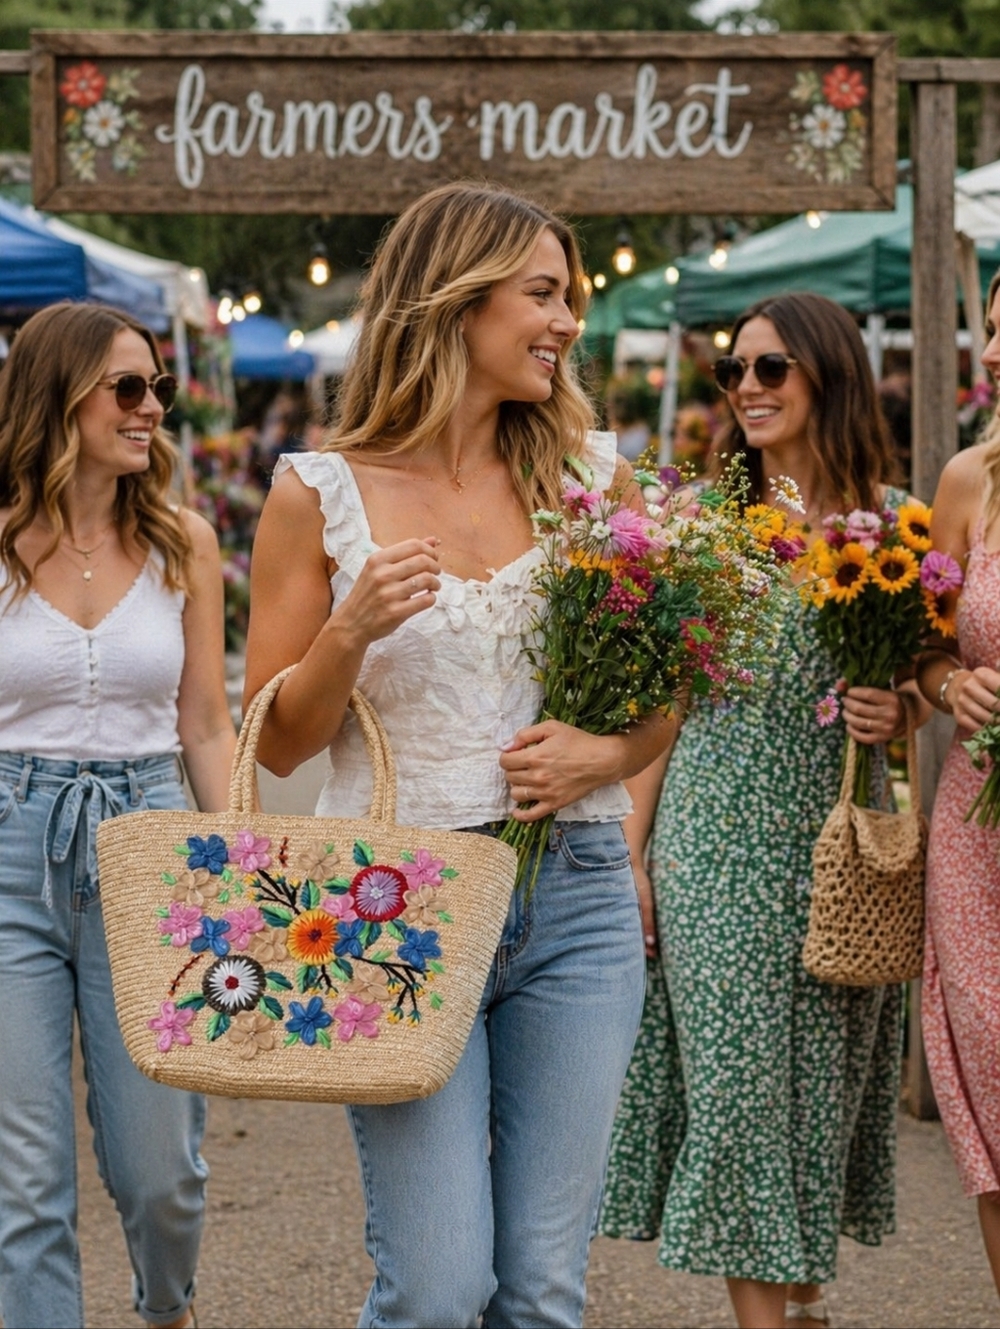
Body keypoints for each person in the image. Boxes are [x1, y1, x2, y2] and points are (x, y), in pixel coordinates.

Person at [243, 181, 670, 1329]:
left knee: (539, 1291)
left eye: (570, 298)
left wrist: (603, 755)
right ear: (457, 301)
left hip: (577, 897)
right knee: (435, 1291)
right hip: (392, 901)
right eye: (543, 295)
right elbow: (275, 740)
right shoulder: (318, 493)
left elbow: (665, 699)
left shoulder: (594, 482)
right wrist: (349, 630)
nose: (567, 323)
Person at [599, 292, 926, 1329]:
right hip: (713, 836)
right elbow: (659, 704)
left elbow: (924, 679)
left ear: (829, 374)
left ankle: (799, 1300)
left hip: (840, 842)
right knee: (738, 1094)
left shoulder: (897, 525)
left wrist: (900, 707)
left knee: (823, 1087)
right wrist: (633, 857)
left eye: (769, 367)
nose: (745, 386)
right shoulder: (704, 525)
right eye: (731, 370)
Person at [0, 302, 236, 1329]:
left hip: (153, 846)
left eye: (159, 389)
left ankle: (167, 1306)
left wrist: (244, 866)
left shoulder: (185, 541)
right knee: (23, 1172)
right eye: (128, 389)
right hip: (10, 840)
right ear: (57, 398)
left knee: (160, 1168)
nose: (152, 409)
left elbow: (207, 722)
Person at [916, 267, 1000, 1298]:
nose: (993, 353)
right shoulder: (968, 482)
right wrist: (949, 685)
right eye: (989, 329)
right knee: (993, 1087)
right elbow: (923, 648)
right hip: (978, 830)